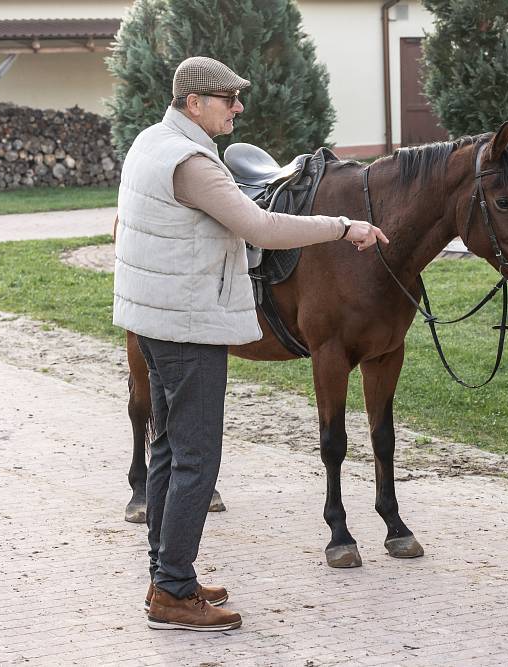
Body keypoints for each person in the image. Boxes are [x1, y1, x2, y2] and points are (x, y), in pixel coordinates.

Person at [113, 56, 388, 632]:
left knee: (167, 450)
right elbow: (262, 228)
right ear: (195, 104)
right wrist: (343, 226)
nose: (238, 108)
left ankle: (167, 577)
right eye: (228, 99)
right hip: (189, 327)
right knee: (196, 460)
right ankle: (173, 593)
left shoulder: (151, 141)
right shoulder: (192, 163)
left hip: (158, 321)